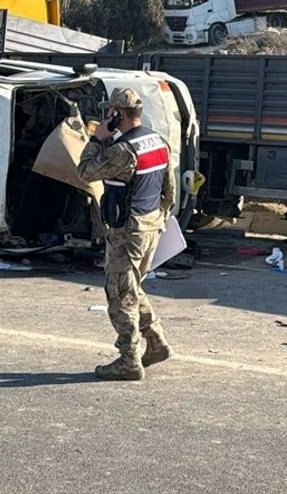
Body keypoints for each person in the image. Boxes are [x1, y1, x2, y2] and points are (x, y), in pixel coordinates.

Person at [77, 87, 175, 381]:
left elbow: (84, 171)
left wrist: (97, 139)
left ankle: (129, 360)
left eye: (110, 113)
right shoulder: (157, 141)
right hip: (150, 225)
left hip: (127, 231)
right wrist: (160, 217)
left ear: (118, 114)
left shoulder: (123, 150)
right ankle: (155, 341)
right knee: (130, 287)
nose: (108, 117)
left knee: (119, 296)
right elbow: (169, 190)